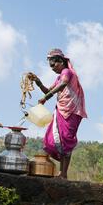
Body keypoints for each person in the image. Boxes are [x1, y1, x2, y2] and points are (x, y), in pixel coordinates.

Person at [29, 49, 87, 179]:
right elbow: (48, 90)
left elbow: (63, 84)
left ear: (60, 61)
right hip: (61, 110)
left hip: (71, 111)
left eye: (53, 65)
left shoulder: (67, 72)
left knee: (66, 138)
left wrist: (47, 97)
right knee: (58, 139)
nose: (52, 68)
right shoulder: (58, 77)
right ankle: (61, 172)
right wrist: (38, 82)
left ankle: (63, 174)